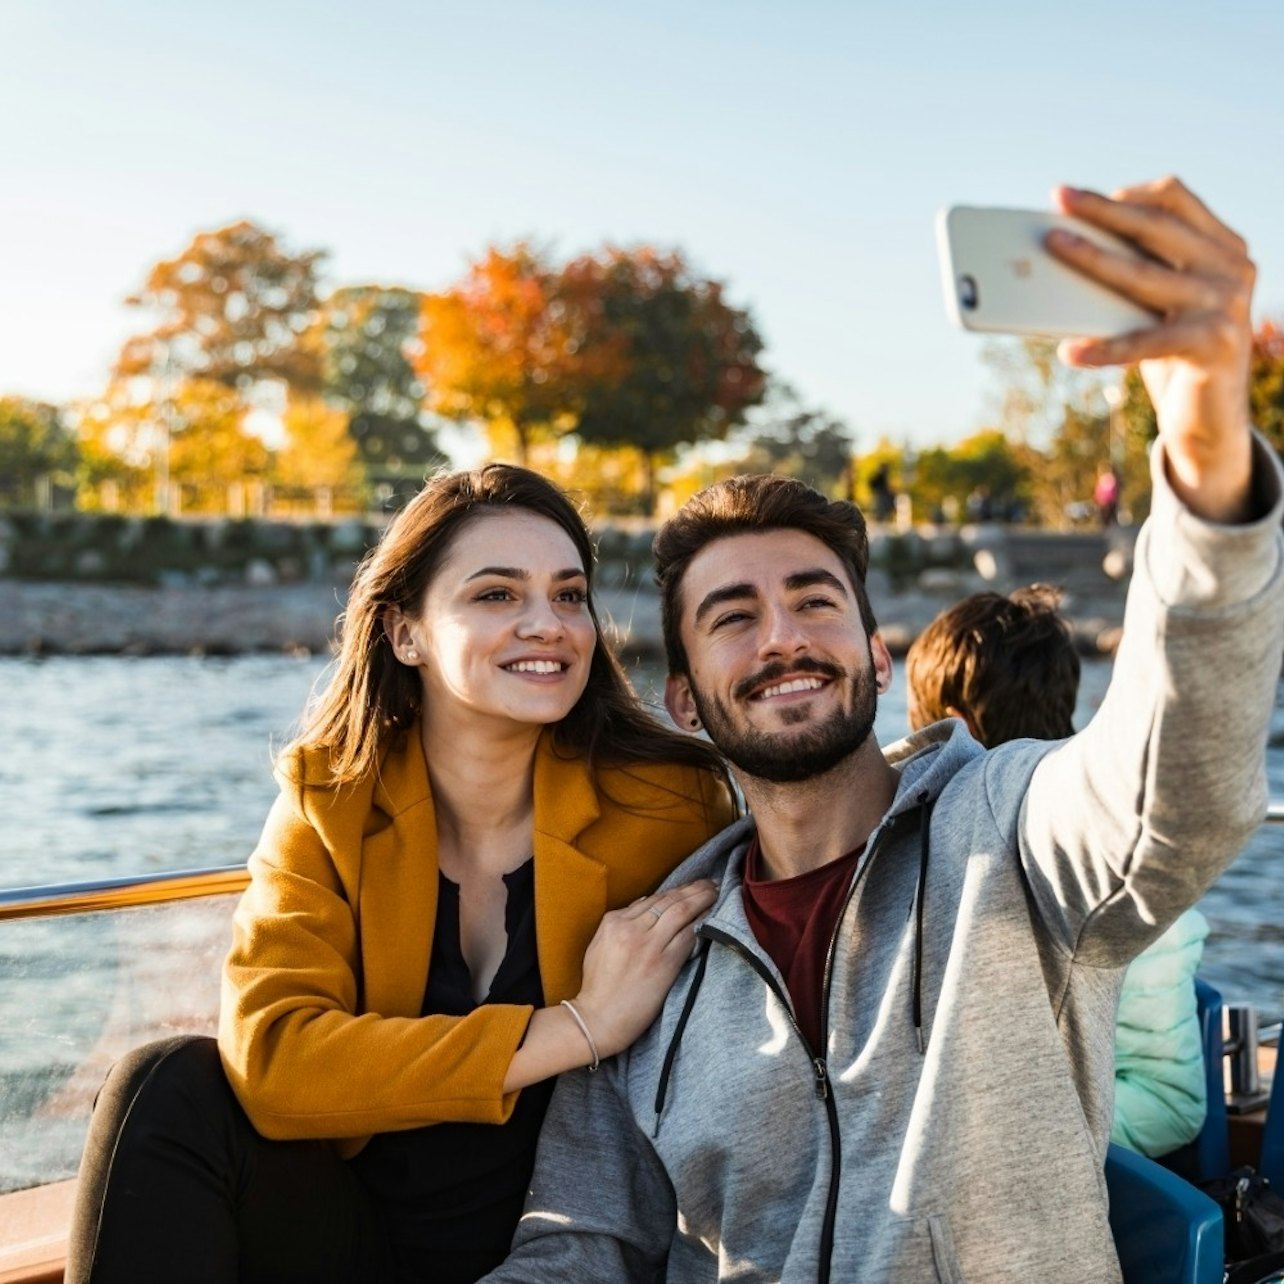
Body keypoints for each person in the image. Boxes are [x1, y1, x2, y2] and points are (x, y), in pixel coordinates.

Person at [485, 177, 1284, 1282]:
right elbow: (578, 1243)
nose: (783, 637)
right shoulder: (651, 954)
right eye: (733, 617)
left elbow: (1177, 787)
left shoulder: (1010, 832)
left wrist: (1205, 451)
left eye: (815, 601)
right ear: (685, 701)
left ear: (876, 655)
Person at [65, 464, 734, 1284]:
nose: (548, 625)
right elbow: (274, 1059)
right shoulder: (330, 800)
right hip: (354, 1245)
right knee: (164, 1084)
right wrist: (578, 1027)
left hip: (564, 1248)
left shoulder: (669, 805)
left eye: (569, 595)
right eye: (497, 594)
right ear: (405, 633)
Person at [905, 584, 1210, 1159]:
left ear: (954, 728)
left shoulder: (1114, 864)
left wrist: (1002, 1137)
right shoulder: (921, 860)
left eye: (918, 734)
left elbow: (1169, 1103)